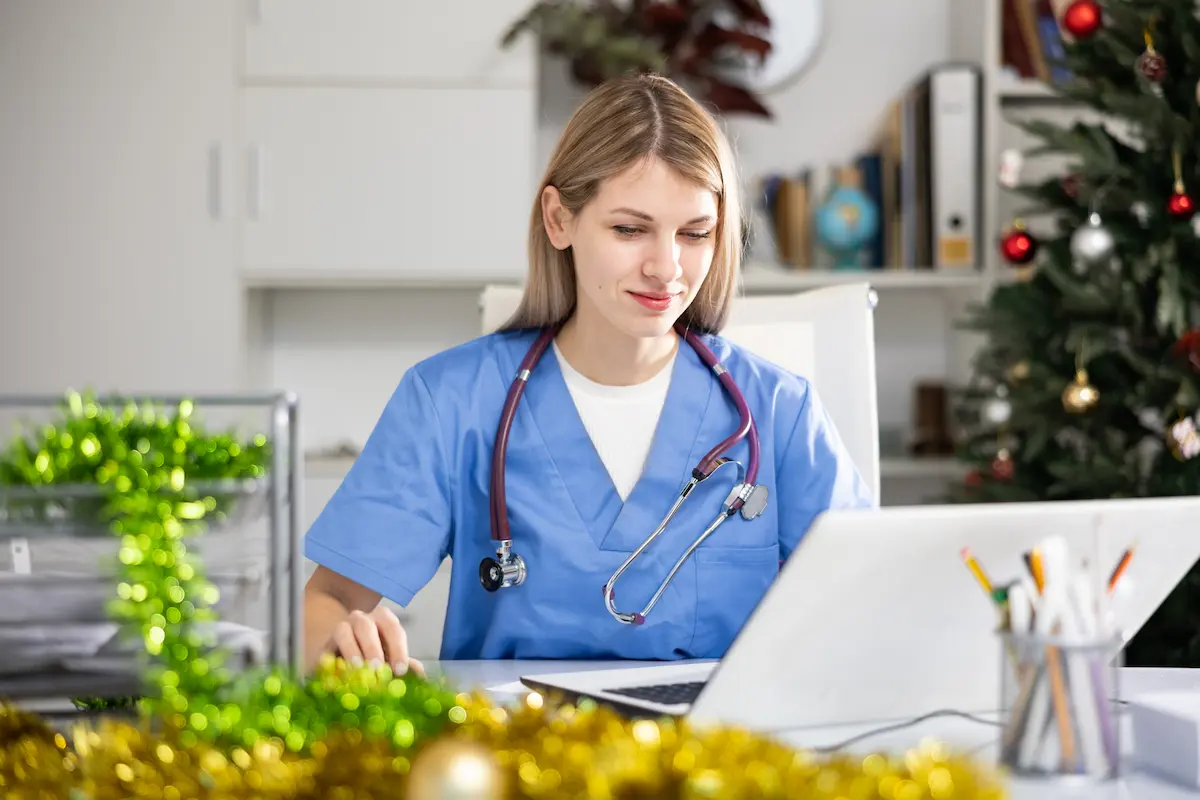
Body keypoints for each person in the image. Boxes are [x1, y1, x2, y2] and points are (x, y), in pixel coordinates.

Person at [302, 73, 875, 677]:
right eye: (629, 229)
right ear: (559, 220)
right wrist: (351, 656)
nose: (666, 267)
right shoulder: (453, 402)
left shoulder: (779, 413)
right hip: (517, 753)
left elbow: (870, 606)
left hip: (714, 760)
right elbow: (329, 601)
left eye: (695, 233)